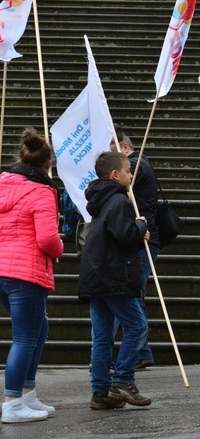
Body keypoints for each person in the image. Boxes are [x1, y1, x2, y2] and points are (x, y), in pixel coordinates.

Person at [0, 128, 63, 424]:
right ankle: (12, 402)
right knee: (25, 338)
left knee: (38, 330)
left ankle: (27, 394)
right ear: (46, 165)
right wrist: (60, 246)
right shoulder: (41, 191)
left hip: (1, 270)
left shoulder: (4, 187)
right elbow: (46, 238)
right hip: (26, 270)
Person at [79, 151, 152, 409]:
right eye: (127, 171)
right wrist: (141, 226)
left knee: (101, 336)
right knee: (137, 326)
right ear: (115, 174)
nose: (131, 175)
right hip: (114, 276)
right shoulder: (119, 201)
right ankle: (122, 380)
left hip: (96, 275)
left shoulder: (101, 201)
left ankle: (100, 391)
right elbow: (125, 235)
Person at [112, 124, 158, 370]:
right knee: (135, 294)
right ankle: (143, 350)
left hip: (144, 239)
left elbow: (120, 192)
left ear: (125, 148)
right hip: (138, 237)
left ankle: (141, 351)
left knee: (135, 294)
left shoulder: (137, 167)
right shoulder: (137, 164)